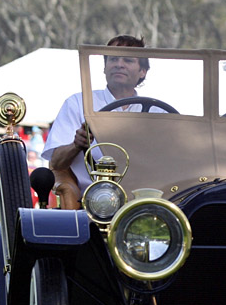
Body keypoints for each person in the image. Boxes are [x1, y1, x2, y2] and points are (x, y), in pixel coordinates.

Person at [43, 35, 151, 194]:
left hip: (141, 201)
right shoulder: (78, 103)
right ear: (105, 67)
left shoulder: (157, 112)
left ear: (142, 71)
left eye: (128, 60)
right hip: (89, 201)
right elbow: (56, 163)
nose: (119, 65)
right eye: (113, 59)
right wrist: (76, 145)